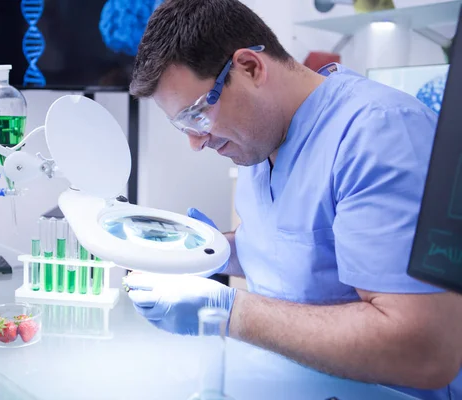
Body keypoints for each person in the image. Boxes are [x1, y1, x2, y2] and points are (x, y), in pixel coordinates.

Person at [123, 0, 462, 399]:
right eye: (182, 125)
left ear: (250, 67)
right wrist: (210, 251)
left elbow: (424, 350)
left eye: (197, 115)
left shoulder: (380, 133)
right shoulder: (261, 139)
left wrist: (231, 310)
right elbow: (298, 254)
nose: (196, 142)